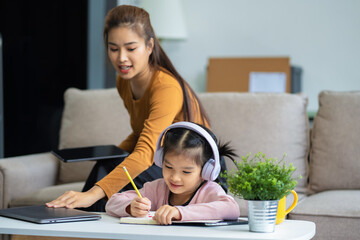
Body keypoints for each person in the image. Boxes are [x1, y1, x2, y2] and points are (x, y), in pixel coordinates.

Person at [46, 5, 219, 212]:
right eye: (113, 48)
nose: (121, 58)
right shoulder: (124, 82)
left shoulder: (166, 87)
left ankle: (79, 219)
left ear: (149, 46)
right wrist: (113, 152)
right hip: (163, 160)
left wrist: (92, 194)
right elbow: (140, 134)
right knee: (107, 163)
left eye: (130, 48)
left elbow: (146, 151)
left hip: (189, 169)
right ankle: (75, 217)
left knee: (106, 173)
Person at [106, 122, 240, 225]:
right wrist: (130, 207)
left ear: (206, 171)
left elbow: (232, 209)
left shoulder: (210, 191)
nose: (174, 178)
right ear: (160, 160)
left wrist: (179, 212)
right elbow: (112, 203)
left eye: (186, 171)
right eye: (168, 167)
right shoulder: (157, 188)